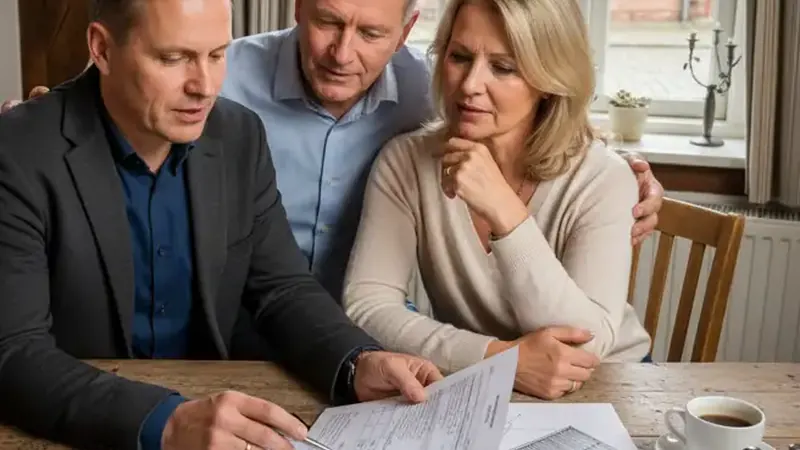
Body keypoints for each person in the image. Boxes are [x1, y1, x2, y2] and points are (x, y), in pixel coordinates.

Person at [0, 1, 442, 450]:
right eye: (174, 58)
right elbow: (12, 350)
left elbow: (282, 288)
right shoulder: (16, 150)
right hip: (75, 426)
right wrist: (167, 422)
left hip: (218, 410)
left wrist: (356, 361)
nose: (206, 87)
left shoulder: (239, 134)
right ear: (102, 49)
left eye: (216, 55)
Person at [218, 0, 664, 304]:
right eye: (328, 22)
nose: (342, 53)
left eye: (371, 32)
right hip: (238, 321)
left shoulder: (431, 90)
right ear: (298, 7)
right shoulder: (222, 77)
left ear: (404, 32)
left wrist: (626, 178)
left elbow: (536, 114)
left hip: (356, 337)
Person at [341, 0, 652, 402]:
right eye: (459, 57)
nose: (470, 84)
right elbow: (367, 306)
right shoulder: (405, 161)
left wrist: (506, 213)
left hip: (610, 384)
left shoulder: (604, 177)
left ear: (549, 78)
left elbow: (586, 346)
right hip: (477, 383)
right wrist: (498, 359)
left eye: (503, 67)